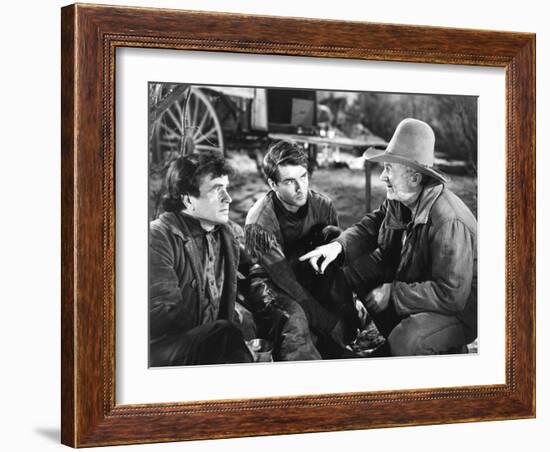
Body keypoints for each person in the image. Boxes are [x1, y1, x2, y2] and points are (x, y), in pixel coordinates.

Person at [301, 118, 477, 356]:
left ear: (414, 177)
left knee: (407, 340)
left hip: (458, 310)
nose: (383, 176)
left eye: (388, 169)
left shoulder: (449, 221)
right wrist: (337, 247)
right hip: (413, 281)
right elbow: (371, 226)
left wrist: (393, 293)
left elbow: (451, 296)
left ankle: (445, 350)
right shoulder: (402, 198)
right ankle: (364, 337)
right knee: (344, 270)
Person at [245, 141, 360, 359]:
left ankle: (340, 342)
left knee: (333, 235)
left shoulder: (323, 205)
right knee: (296, 318)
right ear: (273, 184)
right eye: (289, 181)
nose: (300, 188)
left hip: (307, 272)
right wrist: (327, 322)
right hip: (271, 281)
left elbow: (336, 264)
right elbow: (286, 281)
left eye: (303, 177)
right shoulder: (259, 221)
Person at [148, 151, 254, 366]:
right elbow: (164, 316)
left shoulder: (228, 233)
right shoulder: (158, 236)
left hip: (211, 338)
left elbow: (253, 272)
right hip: (163, 349)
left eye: (227, 188)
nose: (228, 198)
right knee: (224, 333)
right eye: (217, 190)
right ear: (188, 199)